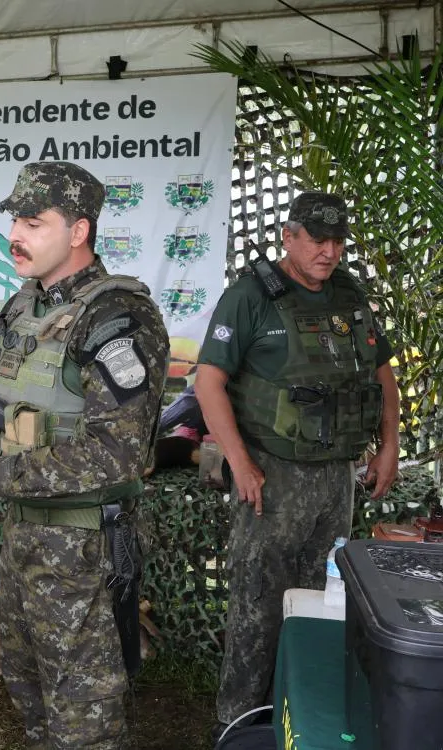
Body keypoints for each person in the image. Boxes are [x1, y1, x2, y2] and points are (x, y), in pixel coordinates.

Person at [0, 163, 170, 749]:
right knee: (30, 696)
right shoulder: (22, 309)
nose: (16, 235)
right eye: (15, 220)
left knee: (83, 720)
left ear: (79, 230)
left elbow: (115, 455)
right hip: (22, 542)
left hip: (83, 551)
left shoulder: (116, 320)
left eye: (34, 223)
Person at [194, 192, 400, 740]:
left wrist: (389, 445)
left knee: (320, 601)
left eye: (337, 242)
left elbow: (381, 374)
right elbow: (209, 383)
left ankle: (301, 718)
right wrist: (241, 463)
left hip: (336, 478)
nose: (328, 252)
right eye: (317, 240)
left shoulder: (349, 293)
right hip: (272, 475)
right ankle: (238, 723)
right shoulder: (251, 296)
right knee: (258, 604)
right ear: (289, 237)